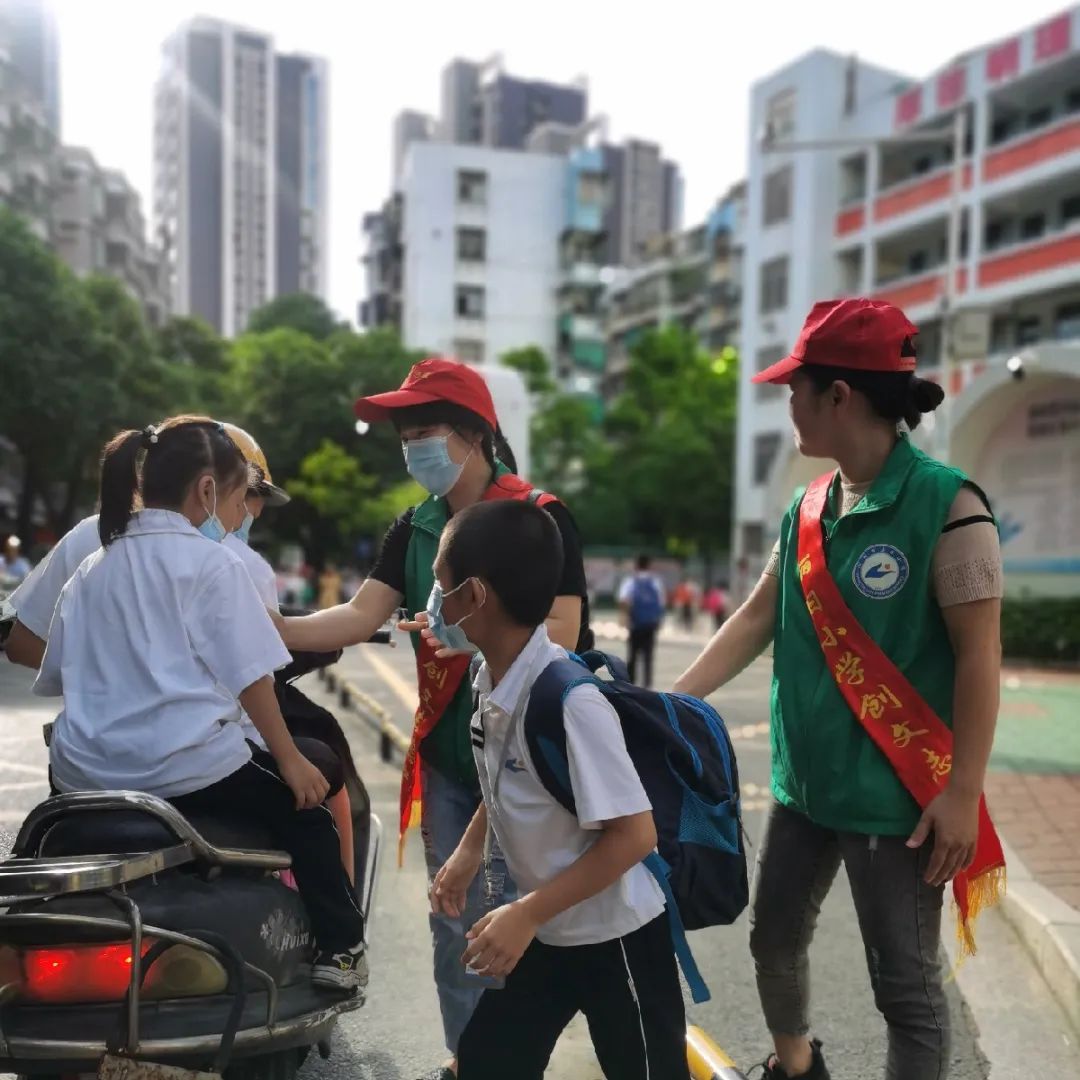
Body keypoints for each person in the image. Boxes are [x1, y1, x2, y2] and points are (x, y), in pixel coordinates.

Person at [674, 298, 1005, 1080]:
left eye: (796, 387)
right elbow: (756, 618)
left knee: (906, 987)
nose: (786, 402)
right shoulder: (808, 508)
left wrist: (963, 792)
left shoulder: (952, 508)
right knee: (774, 941)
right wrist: (669, 704)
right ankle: (796, 1068)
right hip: (803, 786)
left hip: (900, 805)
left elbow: (980, 659)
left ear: (839, 396)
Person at [278, 357, 591, 1080]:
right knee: (452, 917)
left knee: (515, 919)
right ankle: (469, 1060)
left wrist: (471, 625)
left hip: (526, 759)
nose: (412, 447)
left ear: (474, 435)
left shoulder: (538, 517)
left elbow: (566, 632)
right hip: (454, 757)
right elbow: (359, 616)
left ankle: (508, 1063)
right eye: (404, 434)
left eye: (425, 431)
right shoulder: (416, 526)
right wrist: (265, 624)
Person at [33, 416, 367, 991]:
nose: (240, 517)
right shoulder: (214, 564)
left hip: (81, 777)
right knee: (309, 818)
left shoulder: (90, 569)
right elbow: (251, 678)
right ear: (208, 490)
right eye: (242, 498)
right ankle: (343, 949)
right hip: (188, 771)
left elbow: (61, 671)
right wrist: (289, 759)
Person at [429, 499, 688, 1080]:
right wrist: (471, 852)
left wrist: (524, 914)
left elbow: (634, 835)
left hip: (617, 937)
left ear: (476, 595)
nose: (433, 602)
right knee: (482, 1067)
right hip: (548, 927)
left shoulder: (570, 701)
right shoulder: (491, 678)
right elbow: (506, 776)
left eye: (439, 585)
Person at [617, 554, 665, 688]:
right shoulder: (655, 582)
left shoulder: (630, 581)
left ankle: (631, 683)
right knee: (648, 655)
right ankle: (647, 684)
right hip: (650, 623)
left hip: (635, 623)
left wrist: (623, 618)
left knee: (632, 654)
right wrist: (659, 620)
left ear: (636, 566)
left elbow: (624, 600)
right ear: (649, 566)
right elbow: (661, 603)